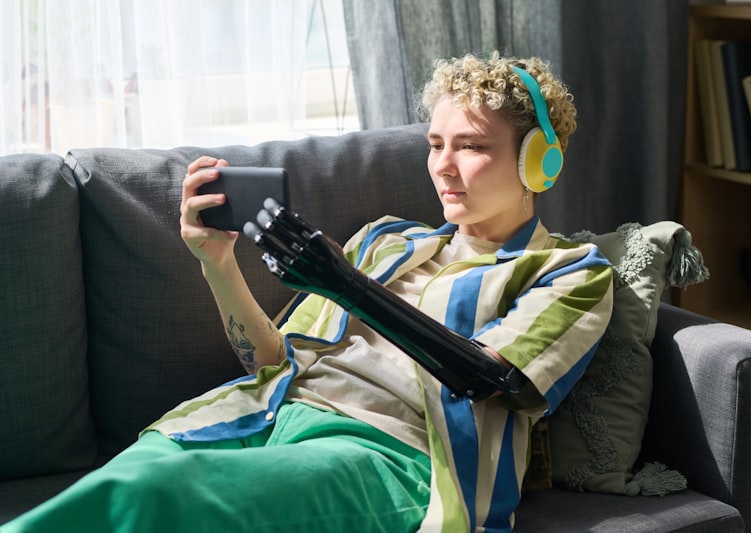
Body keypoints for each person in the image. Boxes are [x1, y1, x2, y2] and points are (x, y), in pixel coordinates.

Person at [1, 52, 613, 533]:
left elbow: (491, 380)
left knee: (151, 499)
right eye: (435, 145)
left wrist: (344, 285)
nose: (444, 167)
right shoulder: (386, 241)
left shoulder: (568, 272)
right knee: (121, 482)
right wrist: (218, 263)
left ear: (540, 163)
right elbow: (273, 362)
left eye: (473, 147)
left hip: (388, 456)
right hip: (259, 415)